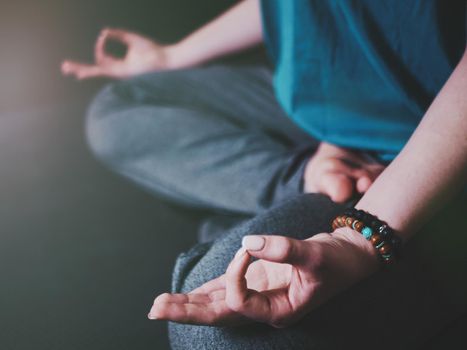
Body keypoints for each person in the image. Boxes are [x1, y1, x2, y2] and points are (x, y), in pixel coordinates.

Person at [62, 1, 467, 349]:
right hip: (319, 109)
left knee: (223, 333)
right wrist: (170, 57)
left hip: (426, 154)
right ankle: (310, 179)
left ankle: (288, 198)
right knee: (120, 107)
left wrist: (356, 240)